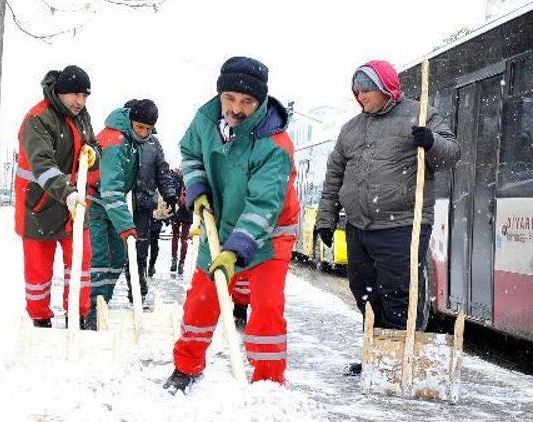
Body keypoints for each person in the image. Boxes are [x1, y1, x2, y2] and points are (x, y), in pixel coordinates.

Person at [163, 56, 299, 394]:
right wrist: (197, 189)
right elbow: (190, 153)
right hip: (218, 224)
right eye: (230, 98)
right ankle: (186, 367)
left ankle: (268, 382)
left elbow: (263, 206)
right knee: (201, 301)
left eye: (247, 102)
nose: (236, 109)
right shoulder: (205, 119)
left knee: (266, 309)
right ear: (220, 94)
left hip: (268, 237)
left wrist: (236, 250)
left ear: (261, 101)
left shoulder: (275, 145)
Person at [315, 60, 460, 375]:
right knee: (364, 293)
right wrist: (326, 218)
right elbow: (334, 175)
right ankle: (378, 354)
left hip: (402, 224)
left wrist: (431, 142)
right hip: (359, 227)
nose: (361, 95)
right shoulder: (351, 129)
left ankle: (399, 360)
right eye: (357, 90)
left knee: (399, 295)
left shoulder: (420, 115)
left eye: (367, 89)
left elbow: (452, 153)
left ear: (385, 87)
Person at [15, 65, 99, 329]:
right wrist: (68, 194)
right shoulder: (37, 119)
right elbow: (43, 164)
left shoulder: (82, 116)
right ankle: (40, 318)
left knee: (81, 260)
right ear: (60, 92)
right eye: (75, 95)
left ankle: (79, 312)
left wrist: (94, 154)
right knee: (39, 269)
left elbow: (92, 145)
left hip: (74, 204)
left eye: (85, 96)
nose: (80, 102)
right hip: (39, 204)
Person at [88, 99, 176, 319]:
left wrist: (169, 194)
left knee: (120, 257)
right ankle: (91, 311)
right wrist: (126, 225)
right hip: (98, 204)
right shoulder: (116, 141)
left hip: (128, 206)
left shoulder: (141, 143)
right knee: (100, 257)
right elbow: (111, 188)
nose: (144, 132)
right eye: (140, 127)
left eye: (148, 129)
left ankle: (103, 304)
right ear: (130, 121)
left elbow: (162, 171)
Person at [168, 168, 192, 276]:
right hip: (188, 212)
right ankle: (181, 264)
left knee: (175, 236)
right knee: (184, 239)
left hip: (177, 211)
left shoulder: (176, 178)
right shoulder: (191, 179)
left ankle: (174, 260)